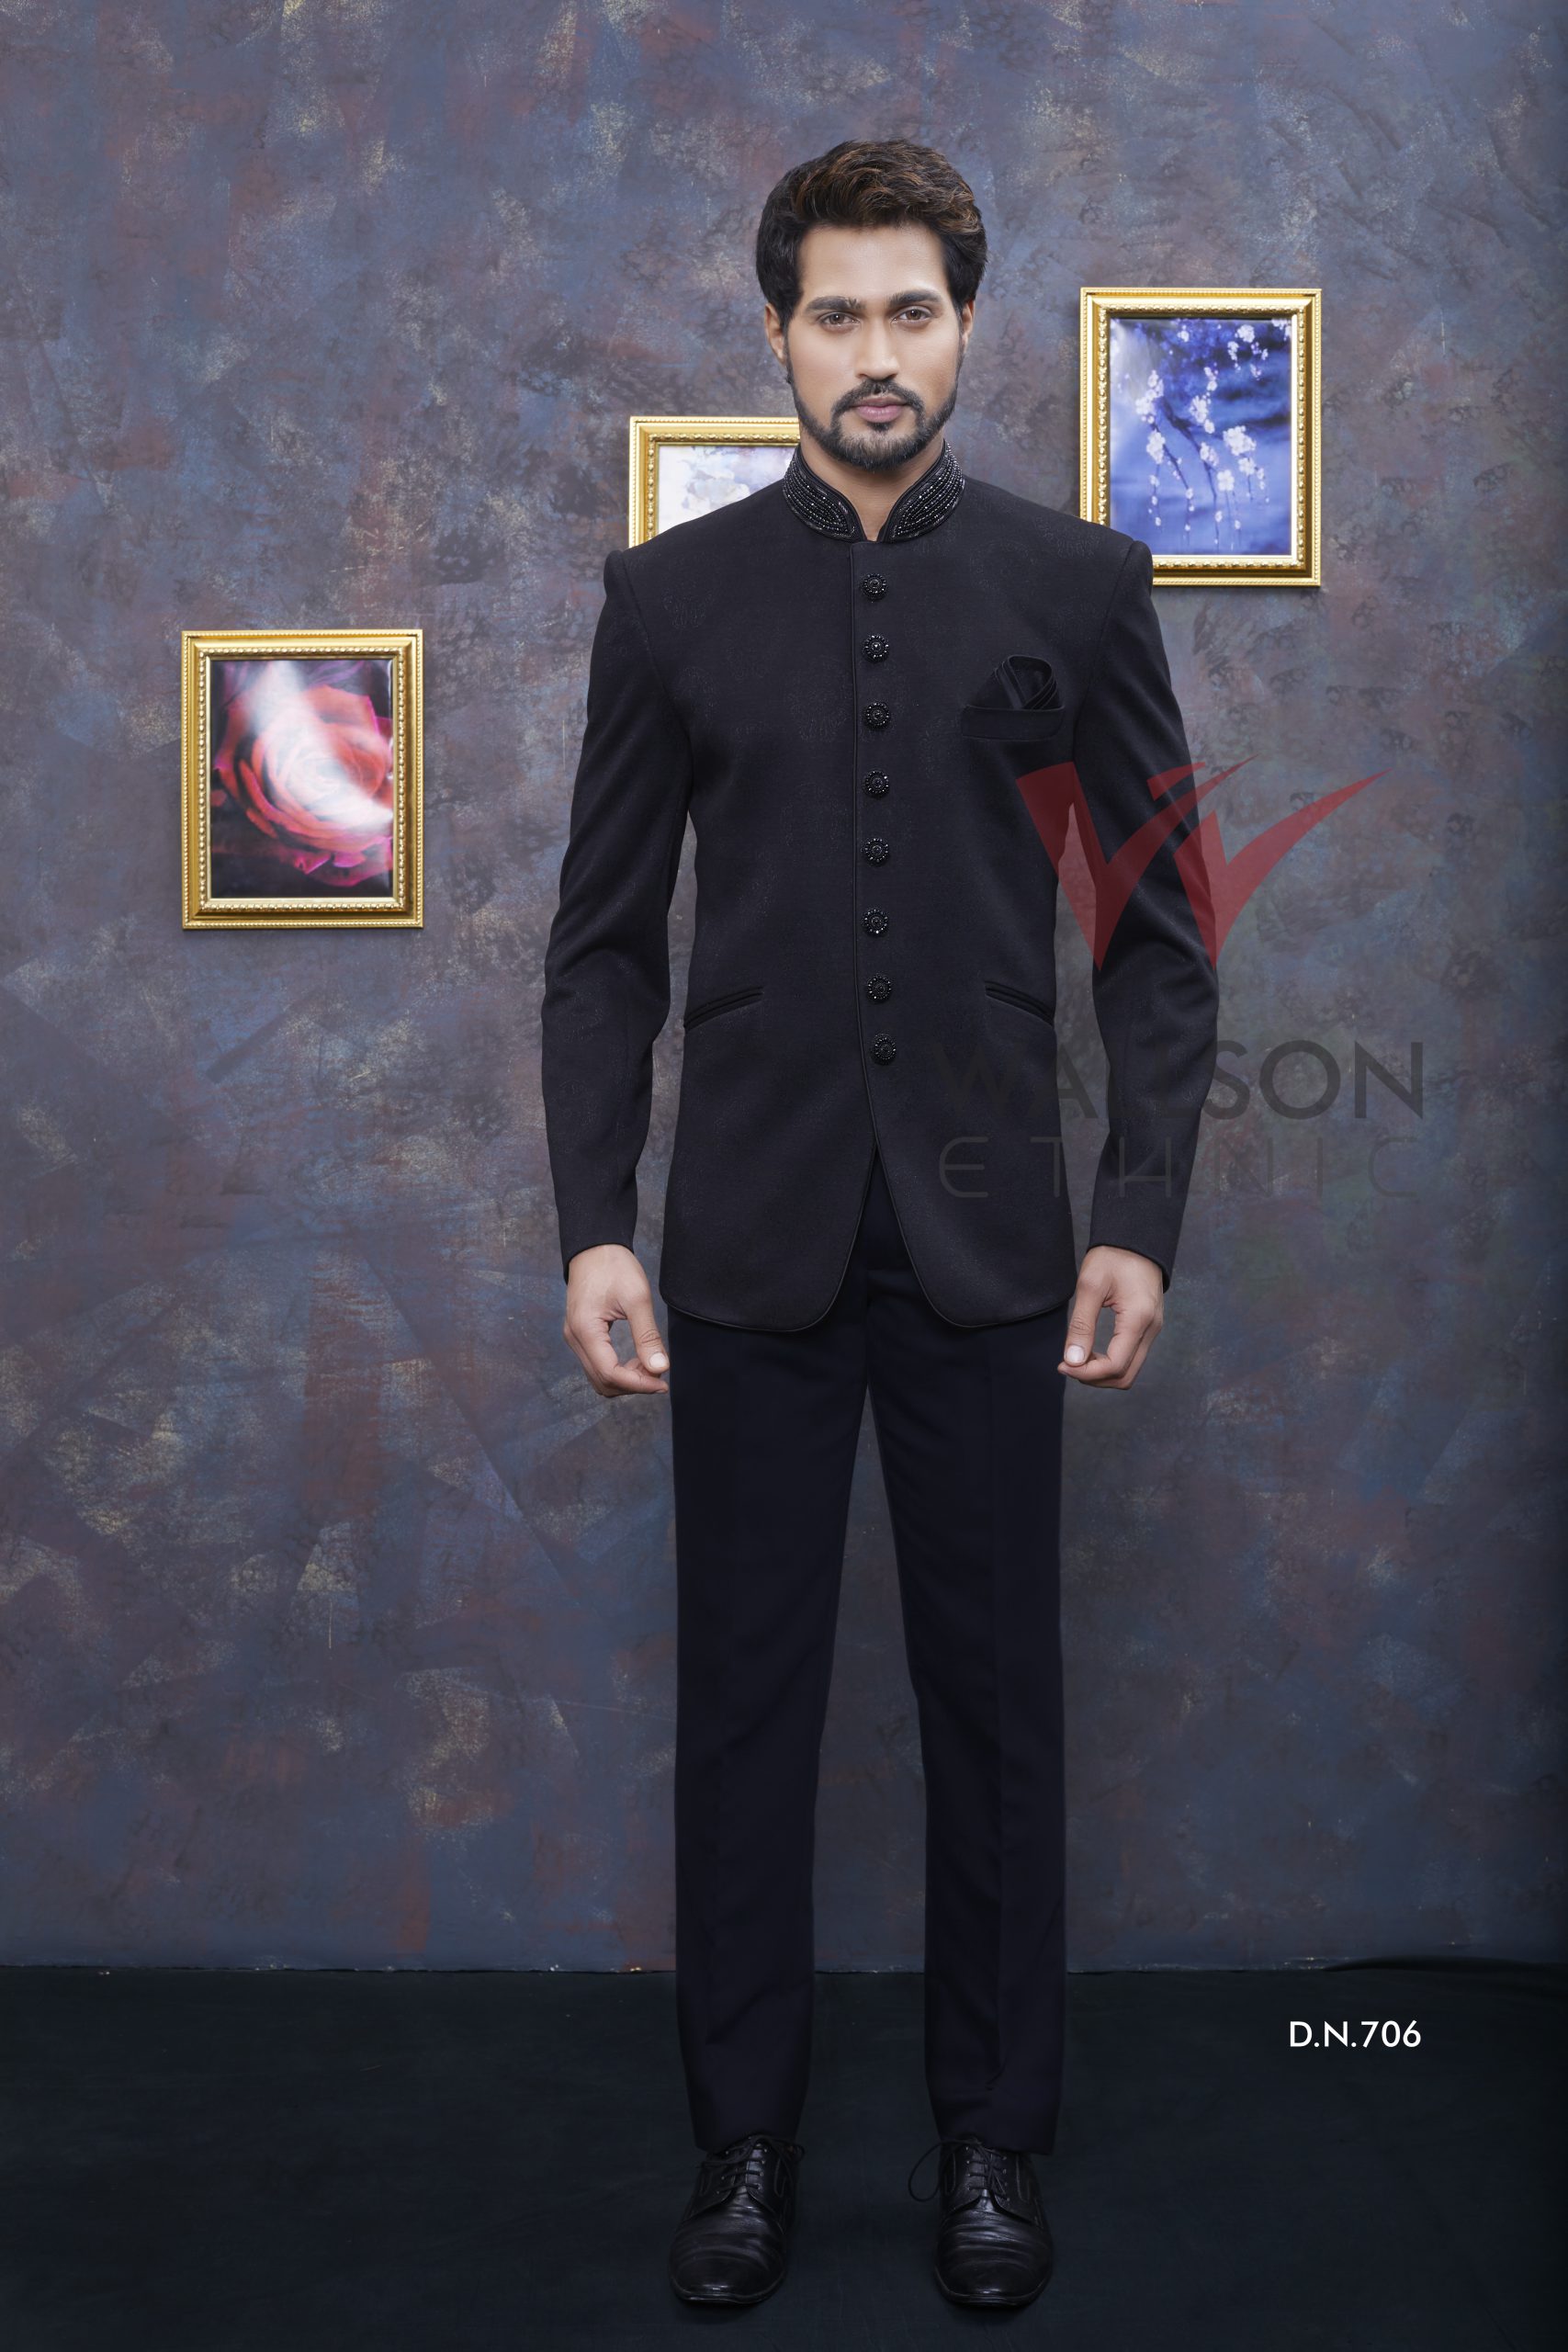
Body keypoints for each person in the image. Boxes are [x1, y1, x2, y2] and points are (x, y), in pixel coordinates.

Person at [539, 134, 1219, 2312]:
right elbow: (600, 950)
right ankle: (738, 2141)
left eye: (908, 309)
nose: (872, 350)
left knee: (994, 1708)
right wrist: (591, 1219)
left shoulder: (1075, 588)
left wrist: (1136, 1210)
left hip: (994, 1244)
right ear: (776, 334)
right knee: (742, 1711)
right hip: (739, 1242)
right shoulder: (667, 602)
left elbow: (1160, 936)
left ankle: (989, 2141)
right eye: (832, 311)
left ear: (962, 327)